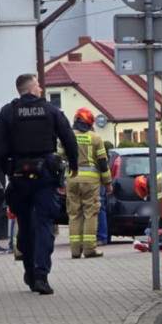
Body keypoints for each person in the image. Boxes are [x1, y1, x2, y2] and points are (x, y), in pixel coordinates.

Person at [0, 73, 78, 295]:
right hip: (45, 175)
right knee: (44, 224)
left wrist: (6, 171)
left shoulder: (7, 112)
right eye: (38, 86)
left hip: (18, 175)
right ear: (31, 89)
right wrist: (74, 164)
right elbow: (68, 137)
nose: (40, 89)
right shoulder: (50, 110)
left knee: (25, 225)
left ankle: (30, 272)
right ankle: (41, 275)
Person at [64, 108, 112, 259]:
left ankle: (75, 250)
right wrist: (108, 182)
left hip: (72, 179)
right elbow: (102, 163)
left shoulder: (66, 136)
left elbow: (57, 158)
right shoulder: (96, 138)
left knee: (74, 214)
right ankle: (90, 249)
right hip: (91, 182)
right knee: (90, 214)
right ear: (90, 122)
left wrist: (59, 181)